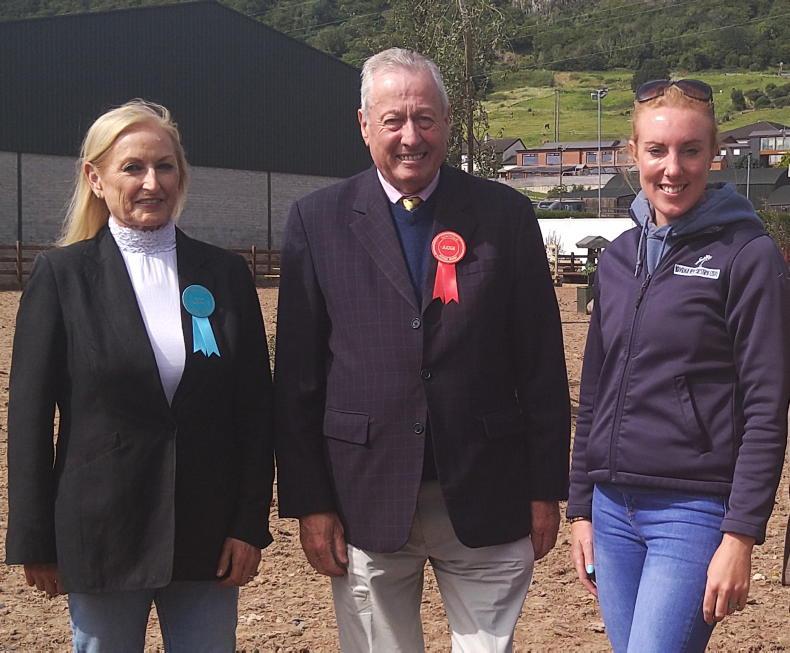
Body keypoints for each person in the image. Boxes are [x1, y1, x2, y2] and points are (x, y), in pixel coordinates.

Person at [274, 48, 570, 652]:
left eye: (425, 118)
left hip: (487, 488)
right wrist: (311, 503)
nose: (411, 136)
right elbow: (298, 378)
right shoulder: (316, 221)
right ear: (364, 125)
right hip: (364, 496)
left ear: (448, 122)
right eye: (393, 120)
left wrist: (546, 488)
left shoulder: (506, 215)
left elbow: (541, 362)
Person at [5, 99, 274, 652]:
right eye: (133, 167)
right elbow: (28, 420)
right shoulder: (61, 277)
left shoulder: (225, 274)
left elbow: (254, 411)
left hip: (207, 533)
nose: (152, 182)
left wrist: (249, 524)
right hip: (102, 534)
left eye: (164, 166)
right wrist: (34, 539)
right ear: (95, 178)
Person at [567, 79, 790, 652]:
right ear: (633, 154)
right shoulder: (618, 258)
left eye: (690, 150)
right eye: (657, 150)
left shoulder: (748, 257)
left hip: (691, 512)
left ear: (713, 154)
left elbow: (767, 406)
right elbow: (594, 392)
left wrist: (740, 535)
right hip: (612, 511)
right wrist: (582, 508)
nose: (673, 168)